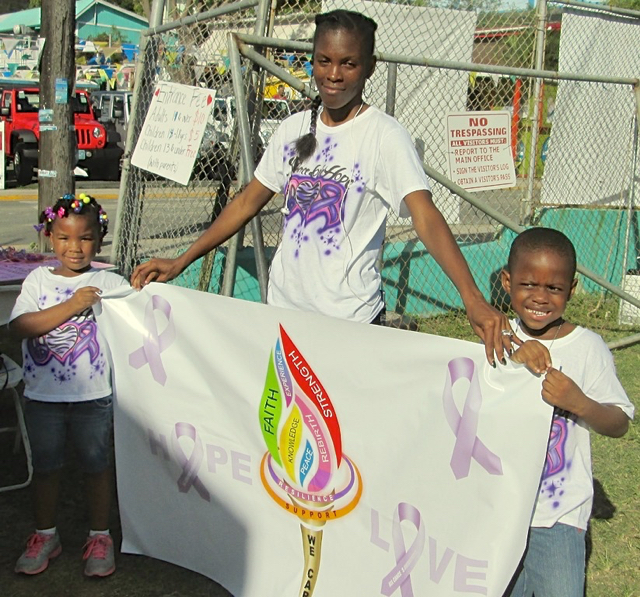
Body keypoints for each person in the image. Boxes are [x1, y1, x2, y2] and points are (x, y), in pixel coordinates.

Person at [131, 9, 512, 365]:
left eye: (348, 63)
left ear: (369, 69)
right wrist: (181, 259)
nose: (334, 74)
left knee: (339, 432)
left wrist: (472, 298)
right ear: (311, 61)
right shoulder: (293, 129)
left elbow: (425, 217)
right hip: (283, 317)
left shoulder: (384, 137)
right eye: (323, 60)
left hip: (348, 323)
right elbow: (247, 201)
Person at [501, 227, 634, 597]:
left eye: (554, 289)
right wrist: (511, 349)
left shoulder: (587, 348)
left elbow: (619, 422)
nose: (540, 297)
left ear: (571, 289)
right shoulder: (497, 339)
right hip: (499, 508)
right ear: (507, 281)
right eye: (528, 284)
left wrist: (579, 403)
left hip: (556, 515)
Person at [10, 193, 129, 577]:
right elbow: (20, 327)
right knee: (46, 467)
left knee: (97, 466)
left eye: (85, 238)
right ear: (48, 236)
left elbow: (142, 316)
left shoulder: (109, 281)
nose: (75, 248)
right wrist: (74, 305)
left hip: (94, 398)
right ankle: (45, 534)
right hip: (43, 396)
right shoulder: (37, 280)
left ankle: (100, 536)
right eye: (64, 238)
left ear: (100, 238)